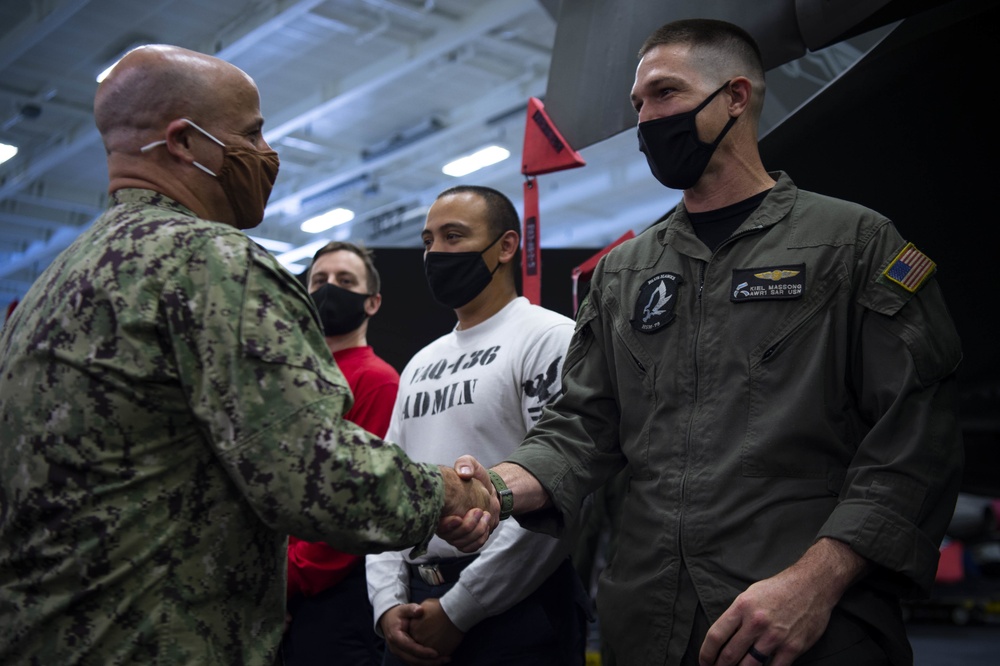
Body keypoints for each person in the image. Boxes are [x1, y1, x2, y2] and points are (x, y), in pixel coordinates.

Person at [447, 18, 964, 666]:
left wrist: (818, 580)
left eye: (664, 94)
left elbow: (917, 438)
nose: (645, 120)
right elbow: (580, 428)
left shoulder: (852, 245)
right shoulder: (623, 272)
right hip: (646, 625)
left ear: (736, 97)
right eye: (637, 104)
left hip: (808, 628)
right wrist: (491, 489)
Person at [0, 44, 492, 666]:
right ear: (184, 142)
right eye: (252, 133)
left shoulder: (58, 280)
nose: (265, 154)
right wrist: (451, 494)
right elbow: (312, 471)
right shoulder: (212, 262)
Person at [366, 185, 589, 665]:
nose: (435, 254)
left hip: (515, 612)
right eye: (428, 241)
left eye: (453, 236)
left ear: (506, 246)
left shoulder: (547, 337)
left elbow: (561, 489)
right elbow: (392, 489)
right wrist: (386, 606)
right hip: (412, 609)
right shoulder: (420, 363)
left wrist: (458, 610)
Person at [283, 241, 399, 665]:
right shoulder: (293, 381)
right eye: (319, 281)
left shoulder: (377, 382)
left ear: (372, 302)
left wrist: (286, 585)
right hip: (285, 593)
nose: (329, 289)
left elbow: (356, 505)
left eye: (345, 281)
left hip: (336, 596)